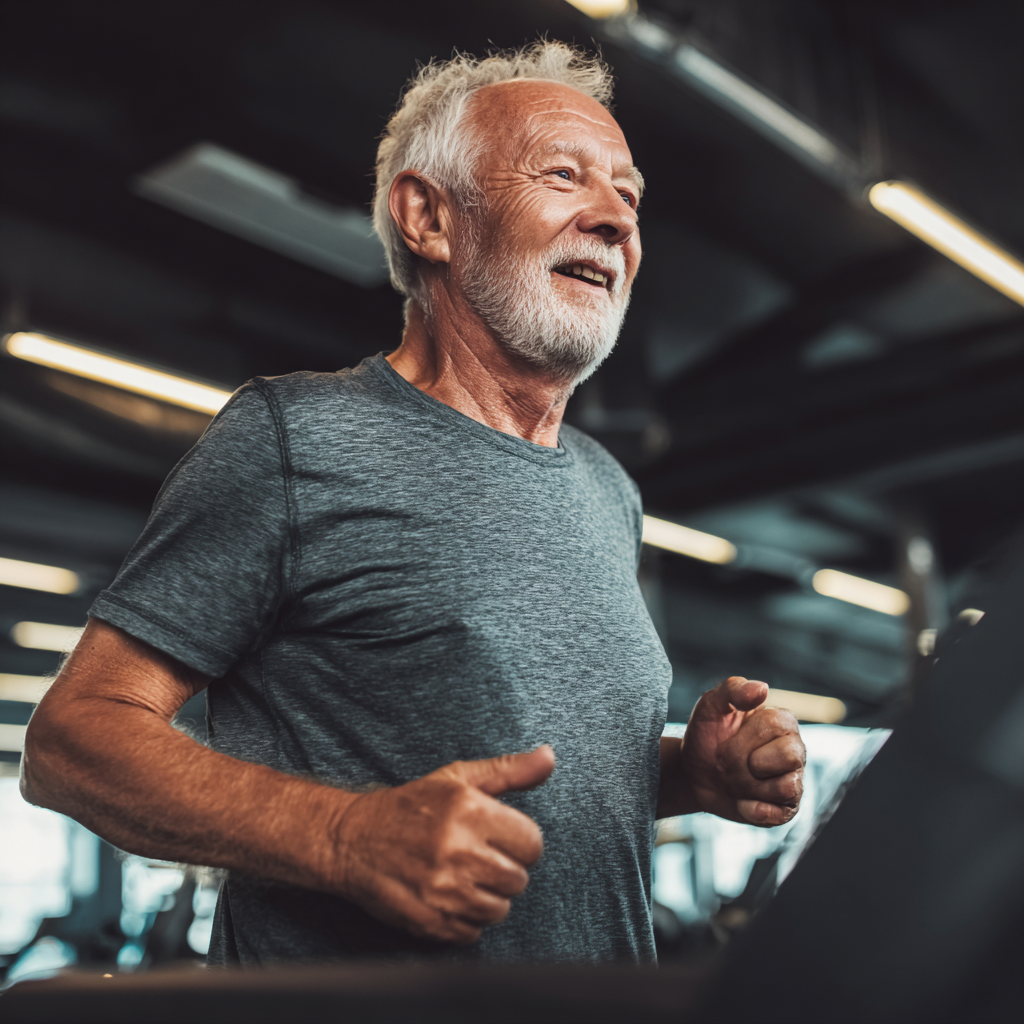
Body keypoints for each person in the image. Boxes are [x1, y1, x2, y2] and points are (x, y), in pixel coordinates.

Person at [22, 42, 805, 965]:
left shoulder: (607, 489)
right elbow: (73, 740)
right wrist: (343, 839)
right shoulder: (295, 438)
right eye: (564, 175)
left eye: (629, 197)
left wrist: (688, 773)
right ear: (429, 217)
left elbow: (548, 787)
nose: (613, 220)